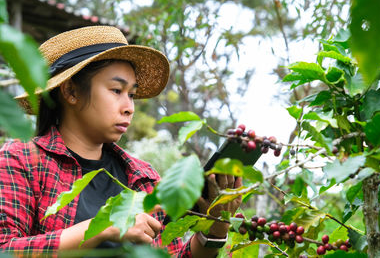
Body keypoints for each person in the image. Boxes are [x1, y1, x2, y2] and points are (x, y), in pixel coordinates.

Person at [0, 26, 241, 257]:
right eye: (116, 90)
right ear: (71, 92)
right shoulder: (22, 159)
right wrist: (104, 227)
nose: (129, 108)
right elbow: (5, 249)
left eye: (132, 95)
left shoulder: (144, 178)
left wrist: (215, 230)